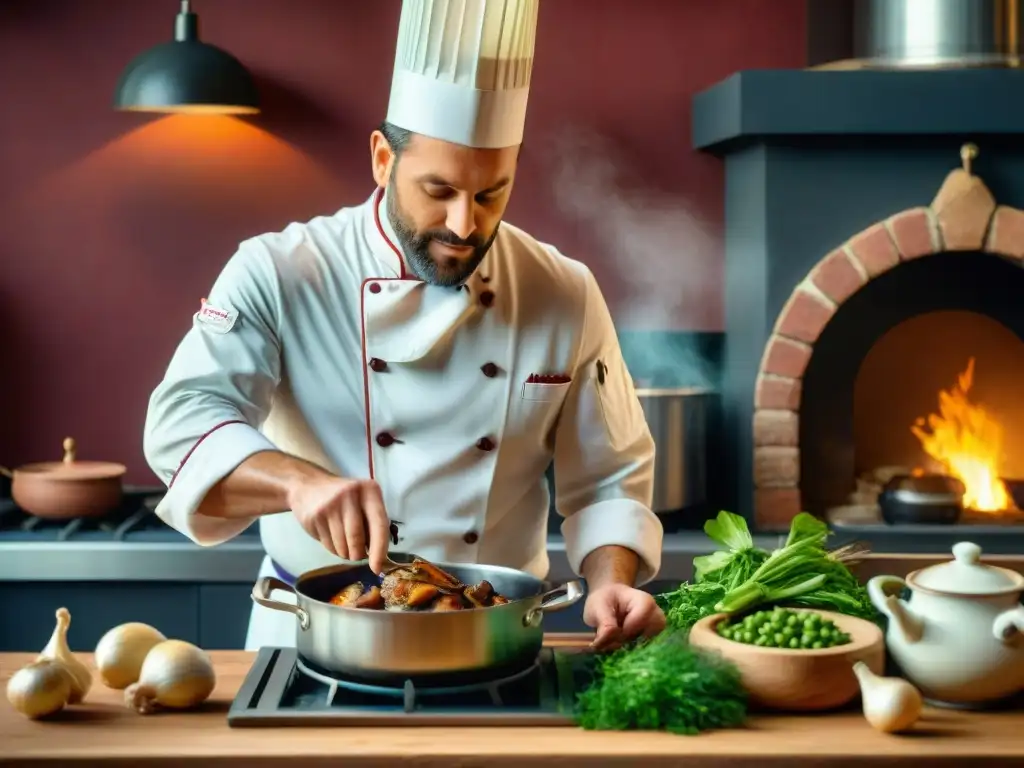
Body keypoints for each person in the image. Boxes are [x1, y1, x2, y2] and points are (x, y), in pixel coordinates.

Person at [143, 0, 666, 652]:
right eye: (439, 191)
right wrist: (298, 483)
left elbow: (610, 478)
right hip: (316, 631)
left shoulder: (562, 290)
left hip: (492, 635)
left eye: (490, 194)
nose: (464, 225)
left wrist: (612, 580)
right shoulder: (280, 271)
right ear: (383, 161)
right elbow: (180, 424)